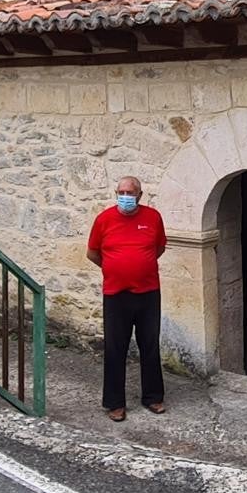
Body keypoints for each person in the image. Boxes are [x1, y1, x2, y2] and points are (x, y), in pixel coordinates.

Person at [86, 176, 167, 422]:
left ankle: (153, 397)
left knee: (150, 346)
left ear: (140, 195)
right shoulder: (104, 219)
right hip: (116, 294)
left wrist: (138, 265)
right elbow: (92, 253)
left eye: (130, 192)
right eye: (121, 191)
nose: (125, 196)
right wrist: (114, 268)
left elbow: (159, 248)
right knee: (115, 348)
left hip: (148, 293)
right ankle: (115, 403)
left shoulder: (153, 218)